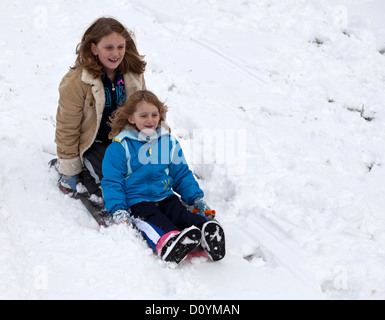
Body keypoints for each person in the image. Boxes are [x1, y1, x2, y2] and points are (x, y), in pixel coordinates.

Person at [101, 90, 226, 264]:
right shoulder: (121, 146)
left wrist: (195, 198)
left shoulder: (167, 142)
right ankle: (168, 243)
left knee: (180, 213)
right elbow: (112, 181)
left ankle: (205, 230)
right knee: (154, 221)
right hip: (137, 202)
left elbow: (181, 173)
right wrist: (118, 209)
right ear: (131, 118)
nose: (150, 120)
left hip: (164, 195)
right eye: (143, 115)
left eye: (154, 114)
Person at [55, 17, 146, 197]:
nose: (116, 53)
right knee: (115, 180)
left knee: (146, 175)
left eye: (120, 47)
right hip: (93, 144)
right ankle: (88, 176)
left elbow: (145, 109)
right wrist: (69, 168)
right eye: (109, 48)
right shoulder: (76, 81)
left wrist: (160, 142)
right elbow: (67, 127)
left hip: (123, 141)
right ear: (94, 48)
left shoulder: (132, 73)